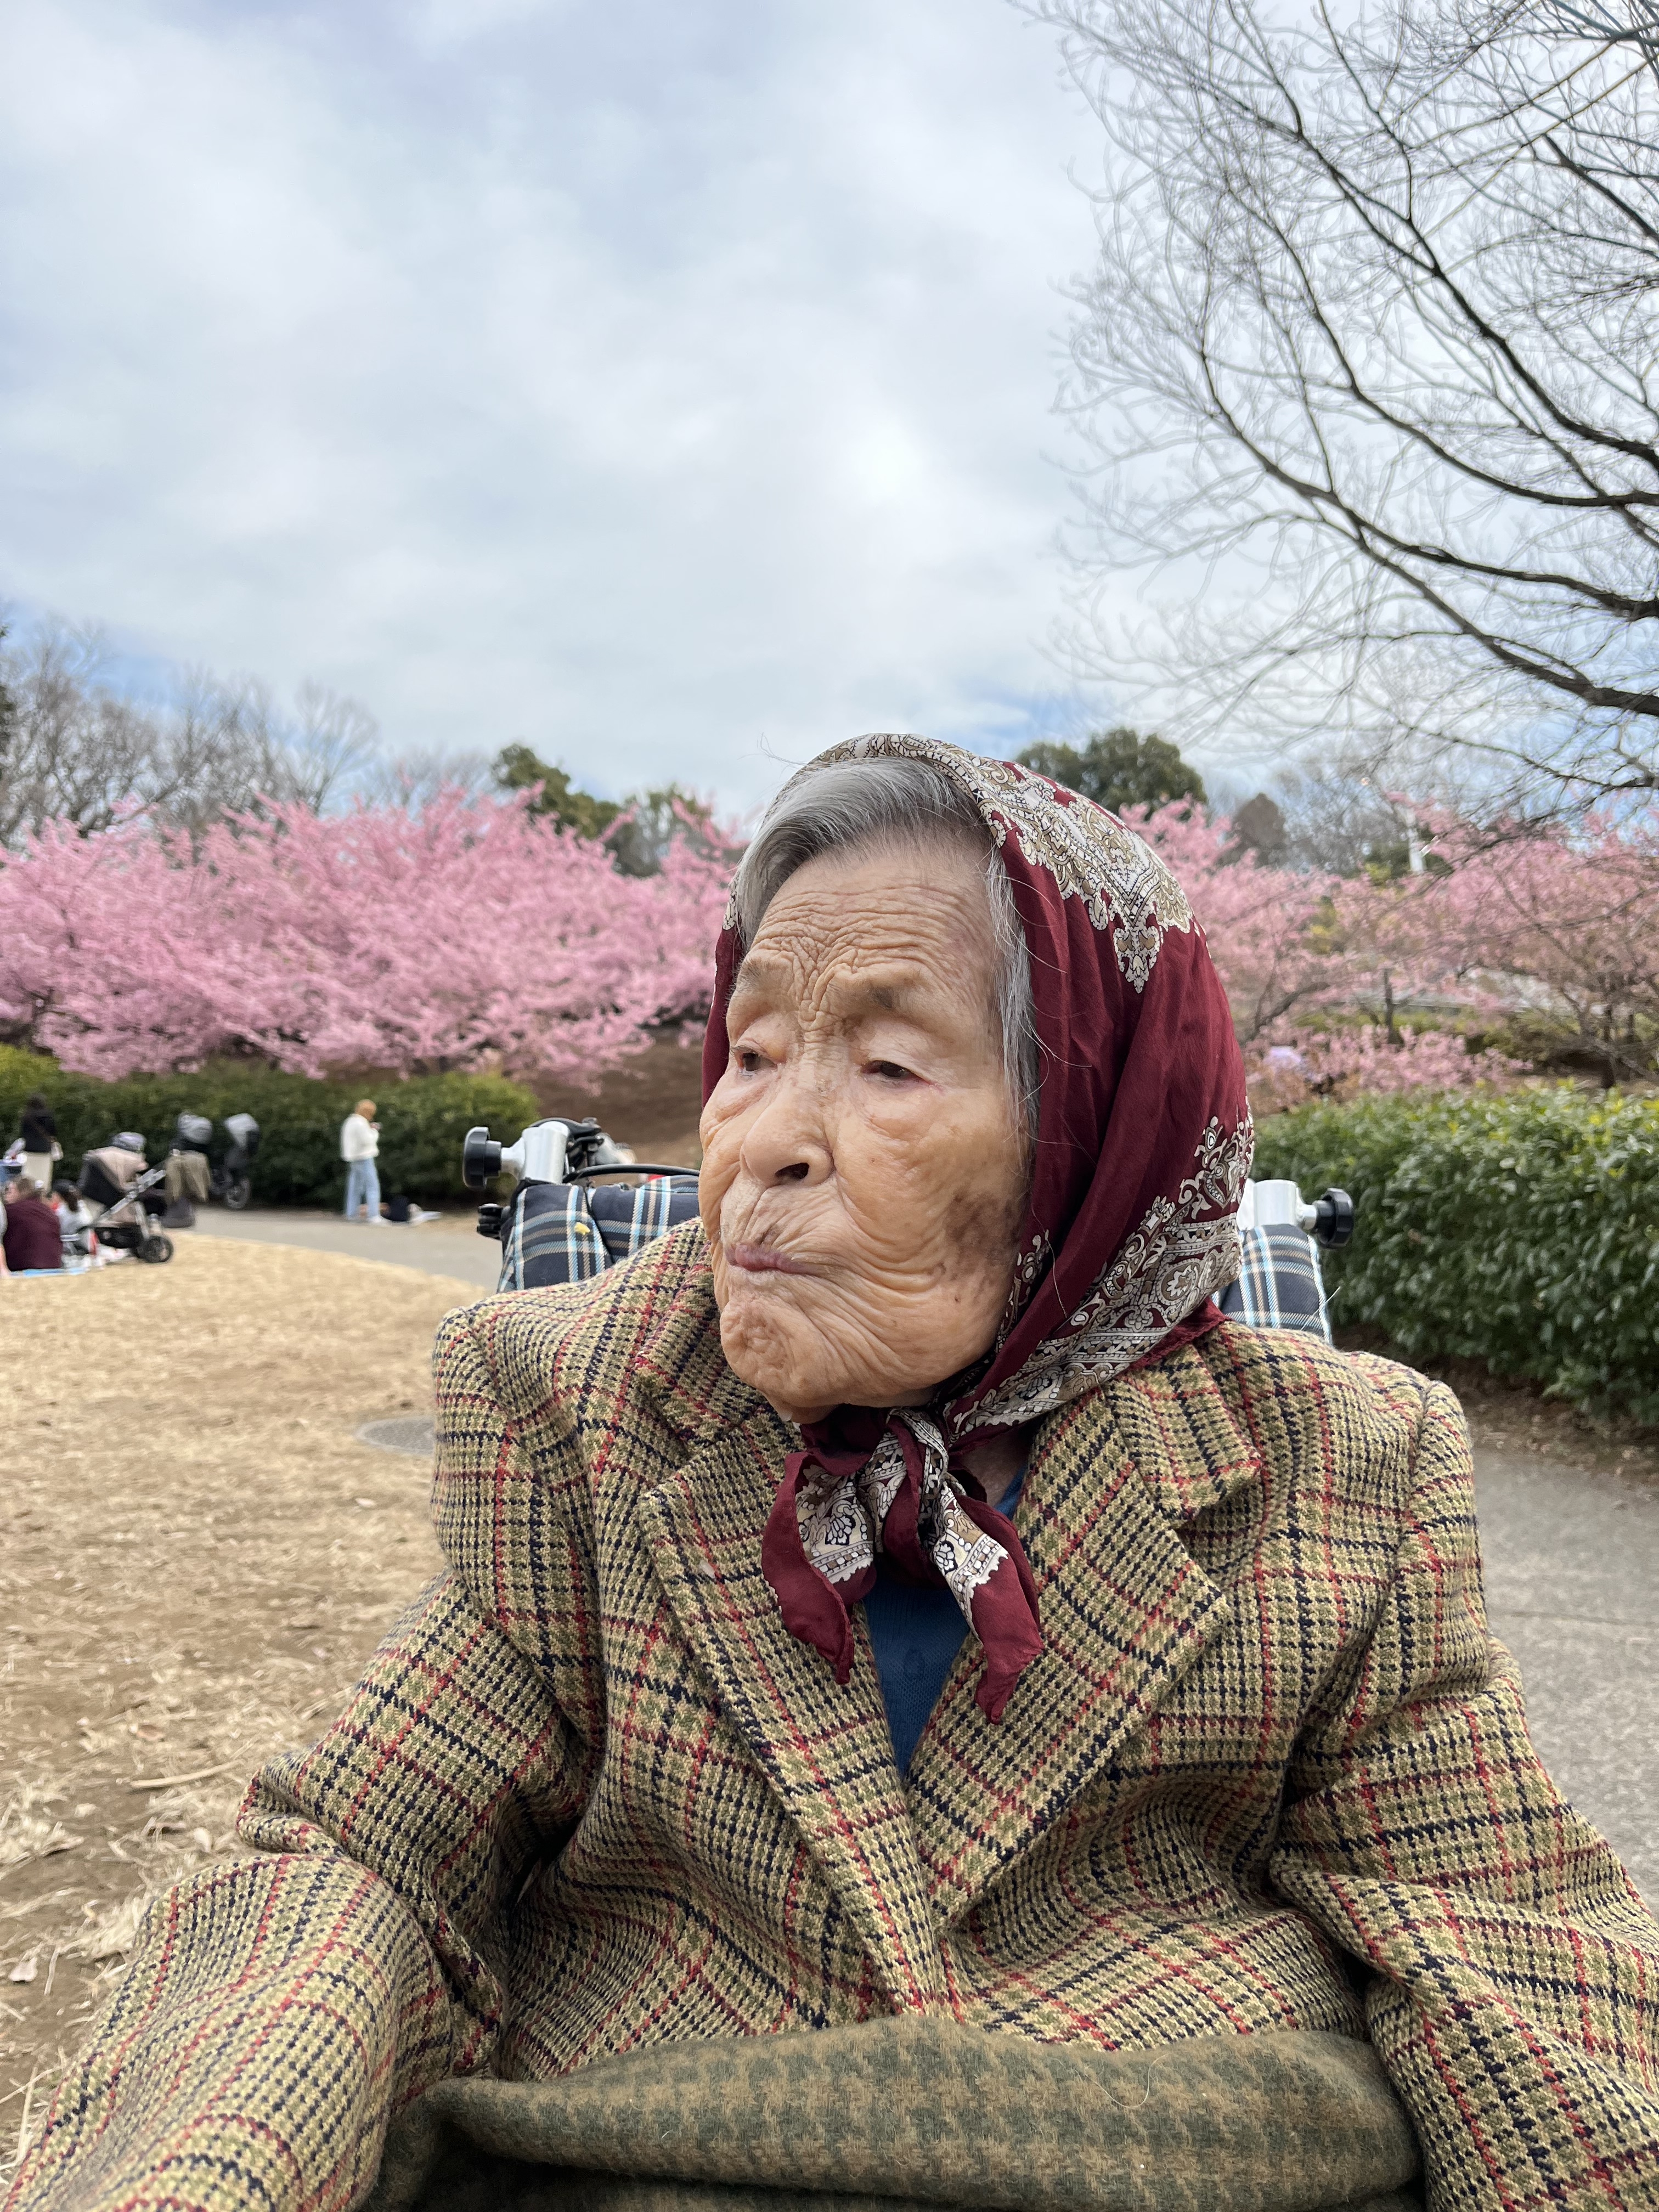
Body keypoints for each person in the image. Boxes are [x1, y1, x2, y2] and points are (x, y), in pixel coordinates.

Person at [10, 738, 1658, 2212]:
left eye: (886, 1067)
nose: (761, 1142)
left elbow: (1507, 1939)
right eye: (752, 1051)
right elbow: (362, 1856)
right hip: (668, 2137)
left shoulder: (1343, 1467)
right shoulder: (579, 1404)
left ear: (1094, 1133)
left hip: (1178, 2133)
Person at [2, 1177, 64, 1274]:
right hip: (54, 1267)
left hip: (24, 1269)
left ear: (20, 1192)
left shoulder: (10, 1211)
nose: (6, 1196)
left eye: (10, 1192)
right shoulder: (49, 1212)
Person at [340, 1097, 384, 1224]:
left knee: (355, 1187)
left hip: (353, 1158)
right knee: (372, 1186)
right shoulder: (360, 1123)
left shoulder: (350, 1121)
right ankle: (374, 1216)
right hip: (364, 1157)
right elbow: (368, 1140)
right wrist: (375, 1131)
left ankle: (351, 1213)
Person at [18, 1091, 58, 1195]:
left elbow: (23, 1133)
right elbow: (53, 1132)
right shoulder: (48, 1116)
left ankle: (28, 1193)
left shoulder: (26, 1116)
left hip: (30, 1149)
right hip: (45, 1149)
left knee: (29, 1174)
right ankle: (42, 1195)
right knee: (44, 1174)